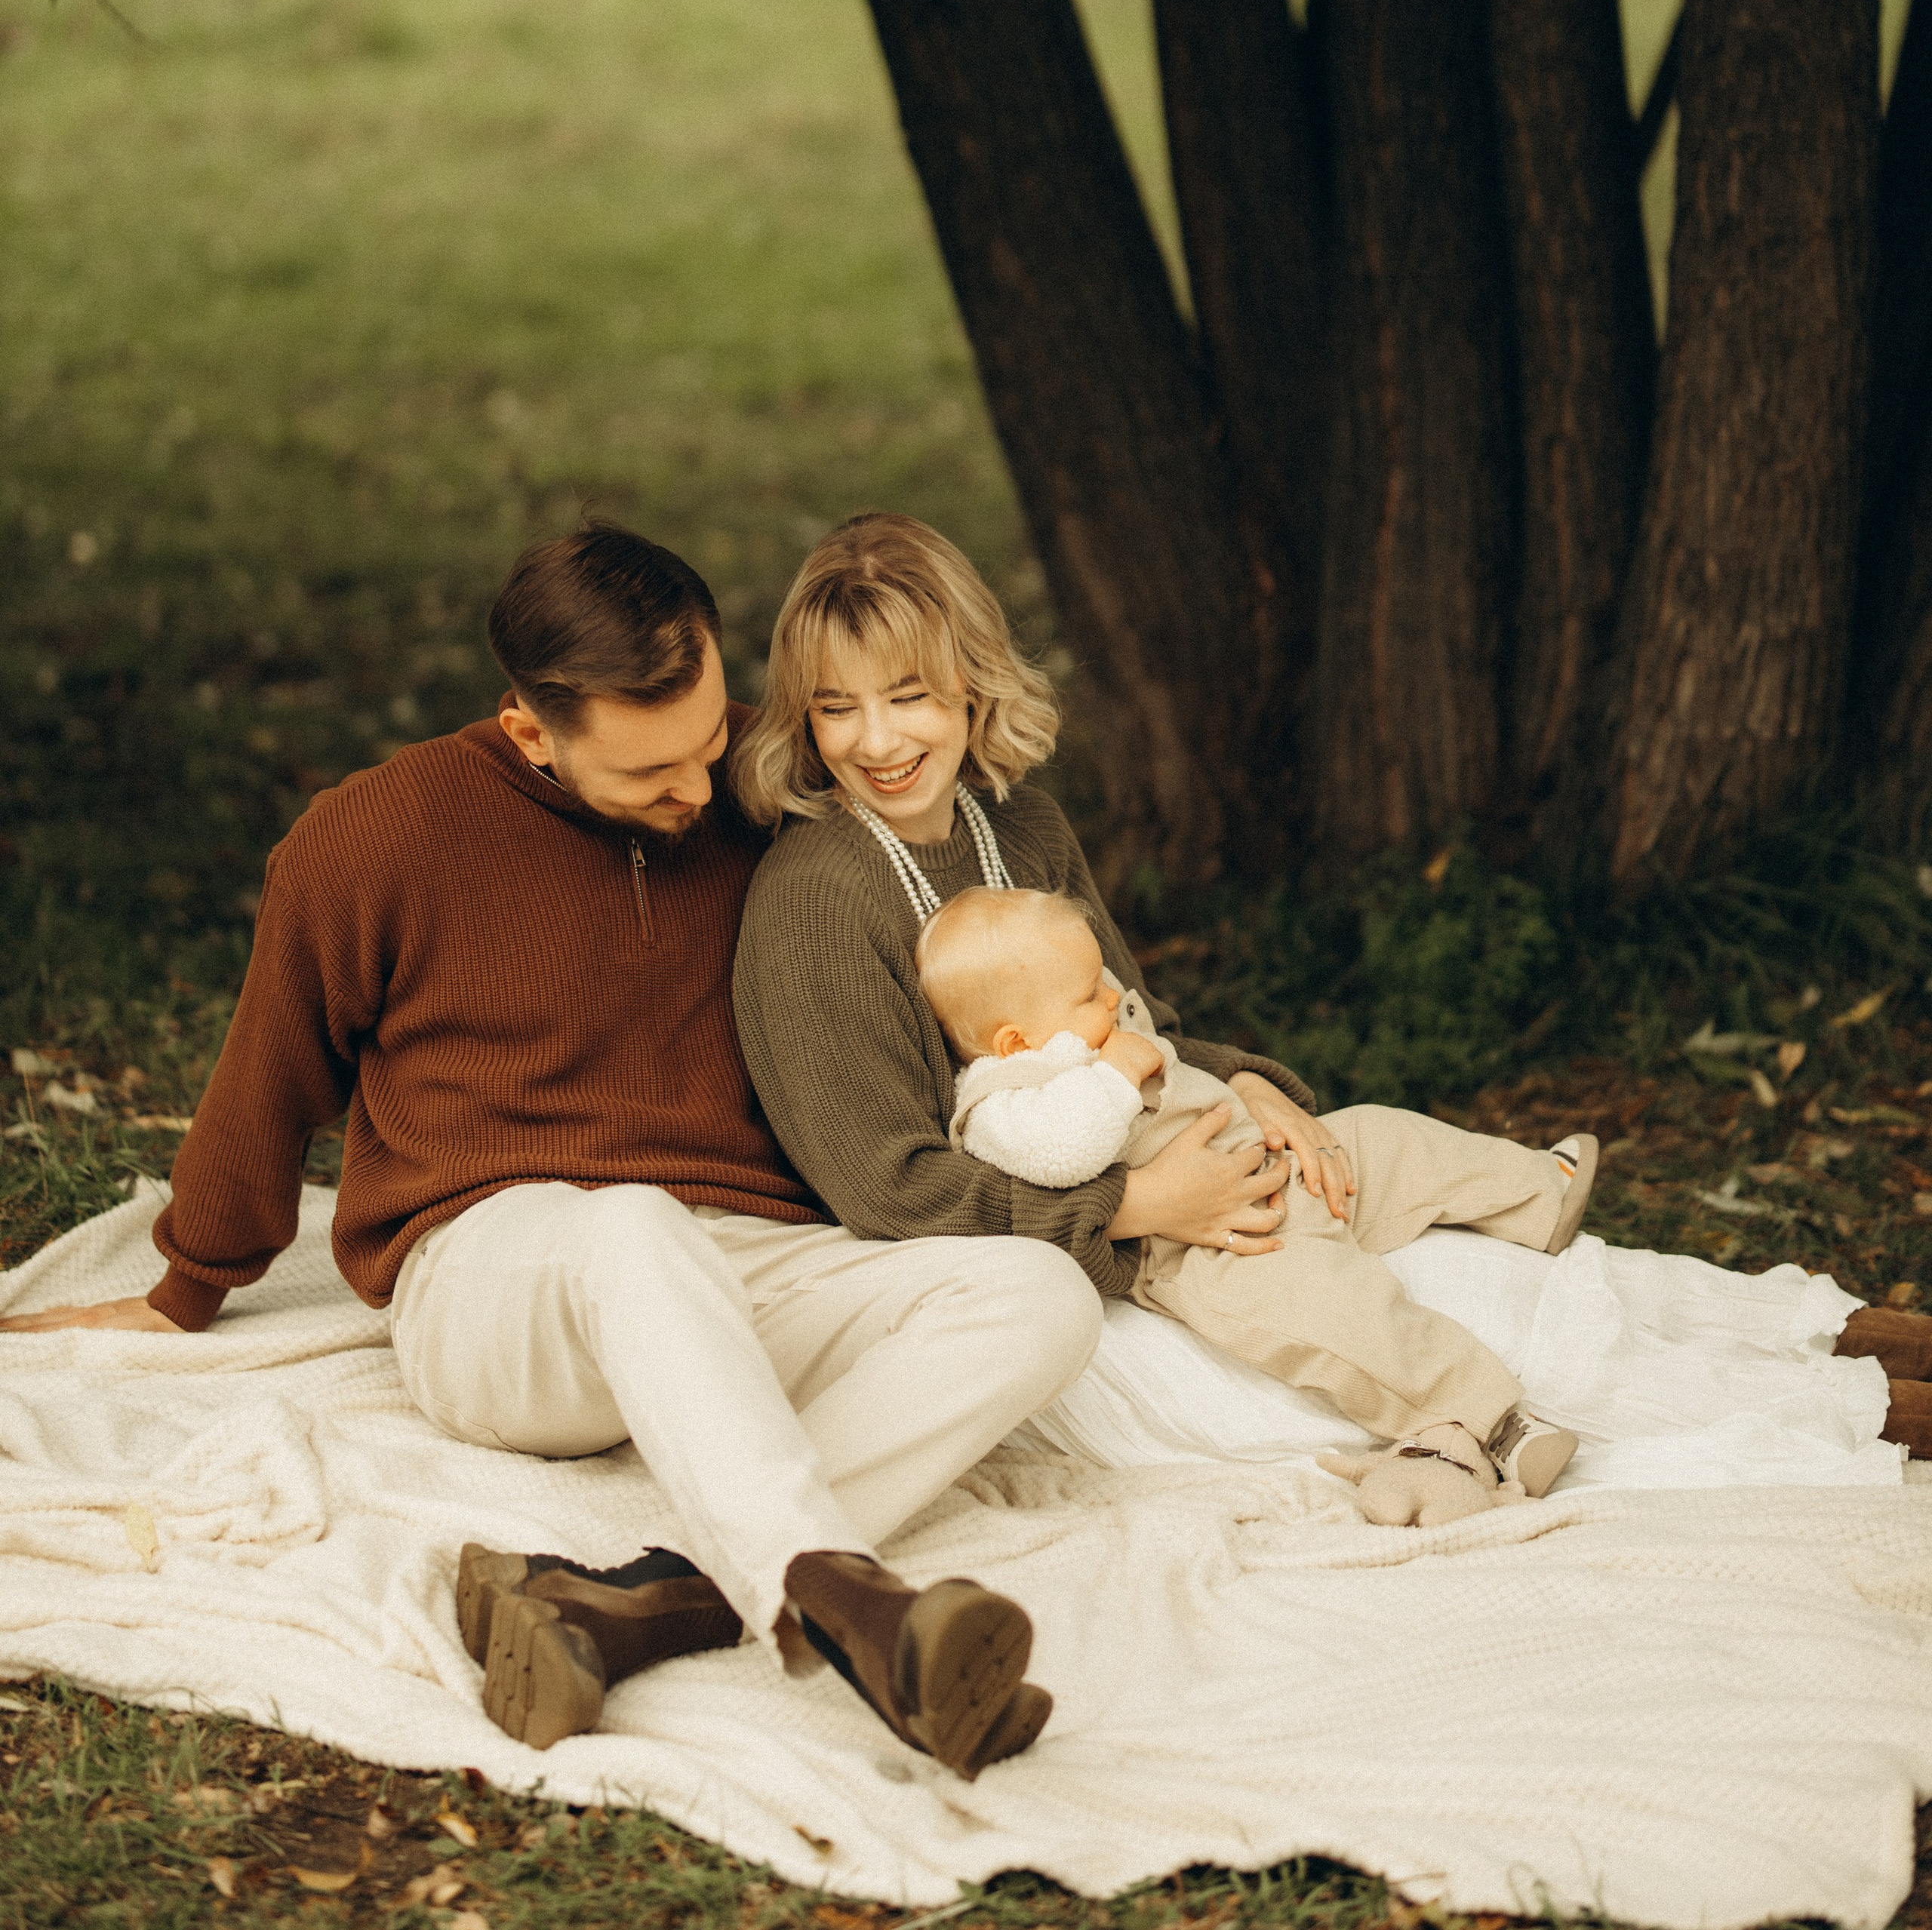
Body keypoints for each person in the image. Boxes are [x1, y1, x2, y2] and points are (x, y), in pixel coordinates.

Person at [0, 522, 1109, 1777]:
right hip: (495, 1279)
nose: (701, 792)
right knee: (626, 1225)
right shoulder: (375, 837)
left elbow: (966, 905)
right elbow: (271, 1071)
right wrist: (184, 1287)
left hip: (731, 1260)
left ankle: (638, 1601)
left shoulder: (763, 780)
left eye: (706, 743)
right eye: (652, 775)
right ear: (533, 732)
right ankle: (850, 1614)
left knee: (1037, 1296)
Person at [731, 510, 1932, 1490]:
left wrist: (1257, 1088)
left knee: (1447, 1228)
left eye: (910, 696)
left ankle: (1837, 1338)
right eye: (837, 708)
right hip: (1060, 1267)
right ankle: (1856, 1412)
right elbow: (886, 1191)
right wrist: (1146, 1199)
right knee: (1426, 1310)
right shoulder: (818, 901)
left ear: (972, 687)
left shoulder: (1018, 823)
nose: (878, 740)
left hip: (1183, 1171)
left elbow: (1128, 1020)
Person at [921, 881, 1591, 1520]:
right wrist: (1119, 1073)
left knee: (1382, 1137)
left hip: (1267, 1166)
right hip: (1213, 1242)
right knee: (1337, 1311)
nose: (1112, 995)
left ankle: (1535, 1193)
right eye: (1088, 994)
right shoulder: (1002, 1102)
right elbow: (1062, 1153)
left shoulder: (1082, 1030)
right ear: (1015, 1040)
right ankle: (1490, 1422)